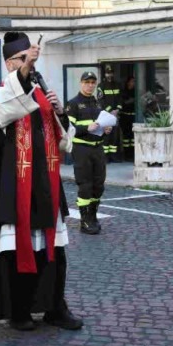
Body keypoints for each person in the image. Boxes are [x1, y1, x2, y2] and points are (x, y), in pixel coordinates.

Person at [0, 31, 83, 332]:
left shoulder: (40, 94)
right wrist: (24, 72)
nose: (29, 65)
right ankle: (18, 310)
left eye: (29, 60)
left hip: (45, 185)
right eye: (22, 60)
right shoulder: (0, 94)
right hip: (15, 187)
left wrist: (61, 113)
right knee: (14, 250)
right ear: (9, 63)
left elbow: (63, 141)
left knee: (53, 251)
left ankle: (54, 307)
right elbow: (10, 107)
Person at [65, 70, 107, 235]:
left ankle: (93, 216)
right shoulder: (73, 104)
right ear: (81, 83)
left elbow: (100, 124)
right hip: (82, 149)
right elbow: (69, 129)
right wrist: (85, 128)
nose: (90, 85)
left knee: (99, 185)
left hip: (98, 148)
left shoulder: (97, 103)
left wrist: (106, 129)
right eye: (87, 82)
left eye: (92, 83)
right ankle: (85, 221)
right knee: (85, 185)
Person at [98, 65, 121, 161]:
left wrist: (118, 109)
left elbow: (120, 98)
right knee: (107, 135)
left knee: (115, 136)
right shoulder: (101, 86)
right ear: (105, 74)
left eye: (111, 73)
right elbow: (101, 101)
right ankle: (105, 157)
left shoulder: (117, 85)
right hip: (106, 114)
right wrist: (110, 110)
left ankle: (114, 156)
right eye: (107, 73)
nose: (109, 75)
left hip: (115, 114)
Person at [119, 74, 137, 161]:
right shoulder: (124, 91)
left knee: (133, 137)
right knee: (126, 138)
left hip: (134, 116)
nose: (133, 83)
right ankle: (127, 155)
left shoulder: (136, 91)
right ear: (128, 82)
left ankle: (133, 155)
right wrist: (131, 100)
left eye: (134, 81)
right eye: (132, 81)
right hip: (125, 116)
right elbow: (123, 103)